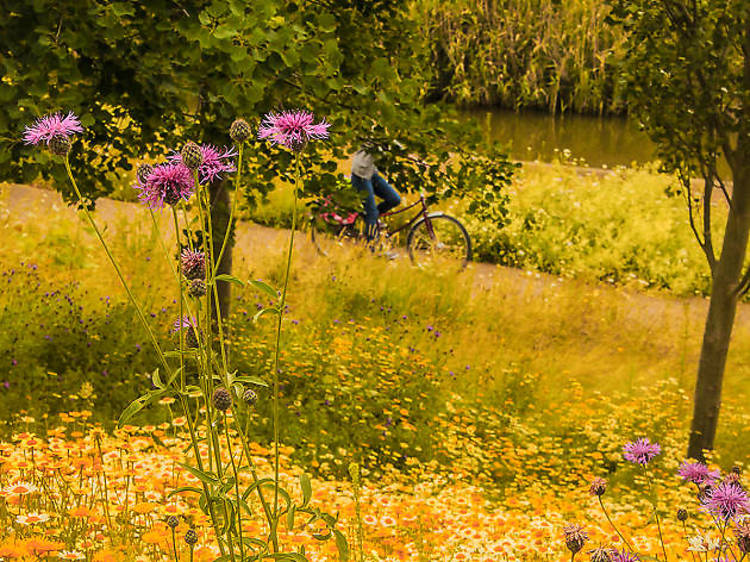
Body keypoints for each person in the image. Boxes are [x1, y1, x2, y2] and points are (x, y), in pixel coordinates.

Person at [350, 147, 401, 241]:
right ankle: (373, 247)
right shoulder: (376, 135)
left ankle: (370, 219)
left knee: (394, 199)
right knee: (371, 213)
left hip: (371, 172)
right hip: (360, 174)